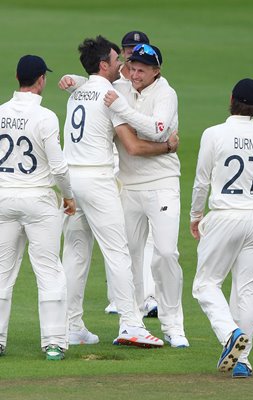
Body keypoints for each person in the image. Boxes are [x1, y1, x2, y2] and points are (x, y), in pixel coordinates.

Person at [62, 43, 188, 348]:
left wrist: (72, 80)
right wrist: (168, 147)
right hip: (98, 179)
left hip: (70, 177)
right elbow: (132, 147)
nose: (125, 68)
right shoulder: (111, 97)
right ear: (105, 66)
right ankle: (131, 323)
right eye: (119, 60)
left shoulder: (77, 94)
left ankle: (69, 326)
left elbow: (86, 84)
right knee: (118, 253)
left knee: (76, 254)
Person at [0, 55, 76, 361]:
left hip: (4, 198)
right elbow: (58, 167)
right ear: (41, 79)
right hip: (39, 201)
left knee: (2, 272)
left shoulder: (0, 112)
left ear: (18, 77)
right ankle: (54, 342)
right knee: (49, 271)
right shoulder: (45, 117)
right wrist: (69, 196)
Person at [190, 78, 253, 378]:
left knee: (205, 284)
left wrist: (196, 215)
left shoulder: (214, 134)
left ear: (231, 98)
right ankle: (243, 361)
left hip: (225, 216)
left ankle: (230, 334)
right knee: (246, 288)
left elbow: (201, 181)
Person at [104, 30, 158, 318]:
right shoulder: (114, 81)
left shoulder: (152, 83)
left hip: (140, 168)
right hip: (115, 163)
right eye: (128, 48)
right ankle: (116, 297)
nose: (131, 53)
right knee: (120, 235)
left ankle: (147, 297)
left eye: (138, 48)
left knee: (146, 239)